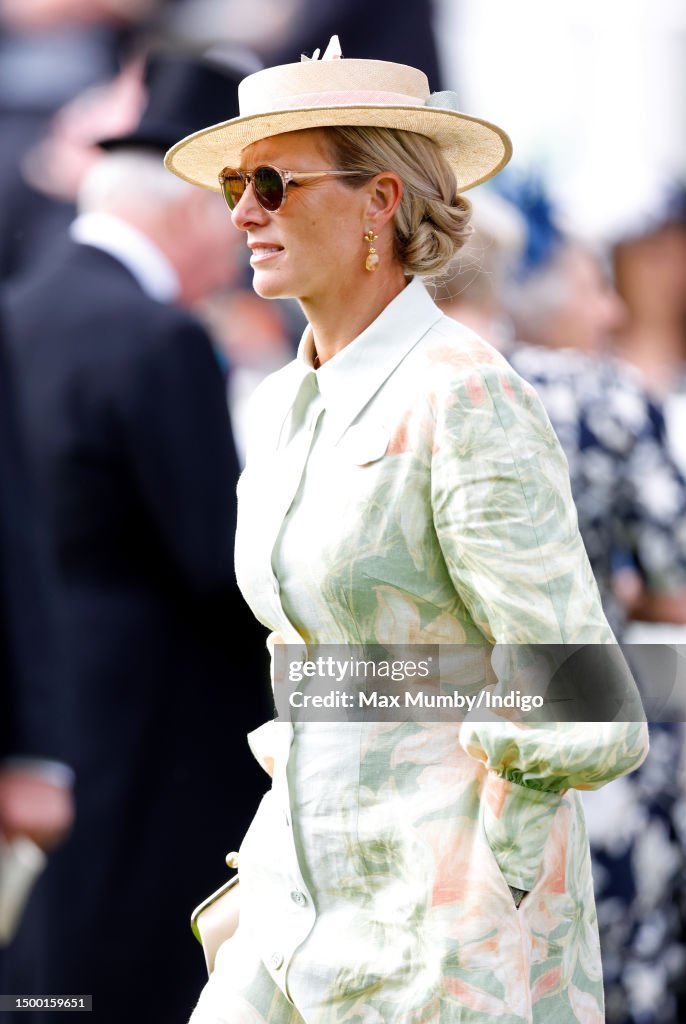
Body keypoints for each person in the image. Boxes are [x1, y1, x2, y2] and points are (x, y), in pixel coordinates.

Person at [165, 38, 650, 1024]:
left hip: (440, 950)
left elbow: (588, 703)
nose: (243, 212)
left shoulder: (464, 392)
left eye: (271, 181)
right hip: (293, 915)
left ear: (380, 200)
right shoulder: (276, 405)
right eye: (231, 184)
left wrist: (477, 864)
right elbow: (314, 671)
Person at [1, 52, 270, 1024]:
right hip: (160, 718)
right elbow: (217, 554)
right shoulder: (157, 337)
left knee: (49, 970)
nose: (243, 245)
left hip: (50, 698)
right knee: (139, 969)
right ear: (186, 214)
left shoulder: (22, 305)